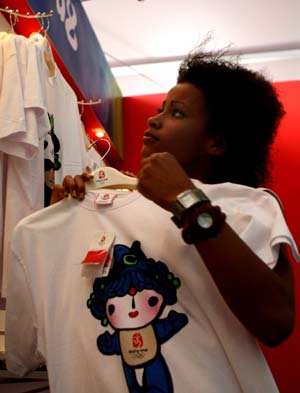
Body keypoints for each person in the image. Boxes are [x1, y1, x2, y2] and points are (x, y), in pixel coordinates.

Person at [45, 48, 298, 391]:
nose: (154, 119)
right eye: (161, 108)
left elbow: (276, 323)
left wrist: (186, 201)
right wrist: (65, 221)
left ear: (217, 143)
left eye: (177, 113)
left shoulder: (250, 206)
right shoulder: (113, 205)